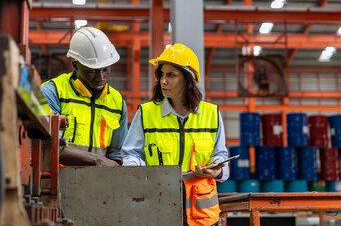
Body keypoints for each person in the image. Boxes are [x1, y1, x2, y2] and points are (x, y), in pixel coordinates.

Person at [121, 43, 229, 226]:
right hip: (158, 208)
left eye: (171, 75)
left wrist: (216, 170)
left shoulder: (212, 114)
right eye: (161, 74)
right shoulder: (146, 113)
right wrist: (135, 169)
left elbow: (221, 158)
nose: (163, 81)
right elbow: (130, 154)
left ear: (187, 79)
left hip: (201, 215)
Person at [41, 27, 128, 166]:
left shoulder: (117, 102)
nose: (100, 77)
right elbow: (50, 145)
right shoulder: (52, 92)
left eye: (105, 69)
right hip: (58, 180)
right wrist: (97, 160)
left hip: (99, 182)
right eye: (92, 71)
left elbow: (116, 154)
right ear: (75, 64)